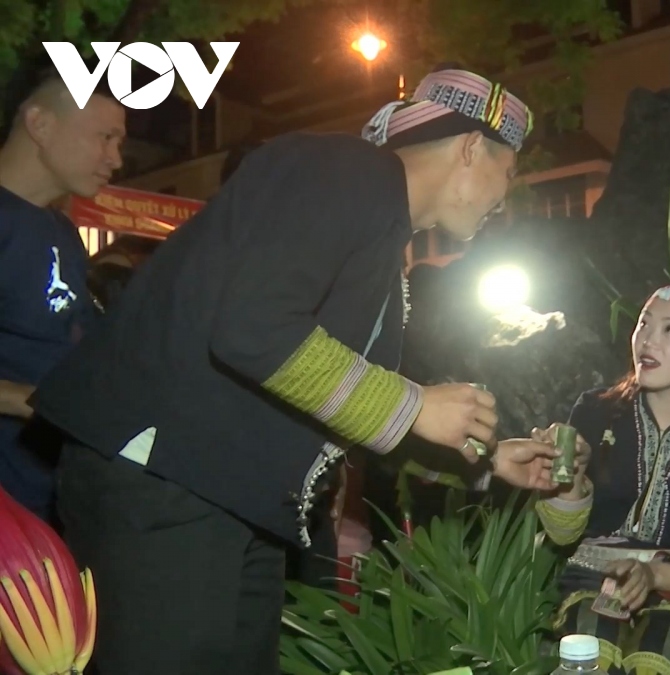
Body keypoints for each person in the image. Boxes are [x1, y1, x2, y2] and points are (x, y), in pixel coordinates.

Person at [30, 66, 560, 675]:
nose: (505, 197)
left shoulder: (380, 226)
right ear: (472, 147)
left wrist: (485, 457)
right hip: (166, 483)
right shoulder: (346, 170)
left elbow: (330, 396)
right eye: (509, 174)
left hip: (224, 498)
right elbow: (254, 328)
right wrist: (415, 403)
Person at [534, 282, 670, 675]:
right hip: (593, 578)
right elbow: (563, 535)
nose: (648, 340)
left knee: (660, 652)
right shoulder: (595, 412)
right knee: (591, 651)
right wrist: (569, 476)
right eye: (644, 324)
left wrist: (653, 574)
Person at [0, 70, 123, 521]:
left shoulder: (62, 231)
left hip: (61, 504)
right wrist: (36, 402)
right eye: (105, 137)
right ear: (41, 124)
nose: (116, 158)